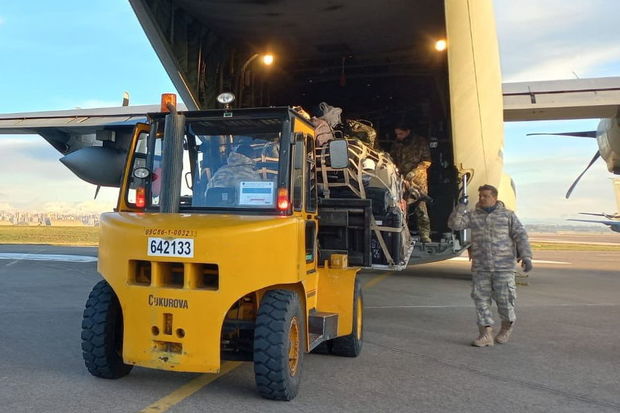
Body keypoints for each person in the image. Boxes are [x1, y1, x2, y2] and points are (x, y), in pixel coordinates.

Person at [448, 184, 533, 347]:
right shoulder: (473, 215)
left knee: (505, 302)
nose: (481, 198)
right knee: (481, 300)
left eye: (485, 196)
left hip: (504, 268)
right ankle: (485, 333)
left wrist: (526, 256)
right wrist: (461, 206)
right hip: (481, 267)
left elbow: (521, 236)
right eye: (480, 196)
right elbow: (455, 224)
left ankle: (507, 326)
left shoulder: (508, 216)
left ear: (494, 197)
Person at [388, 123, 432, 243]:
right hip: (402, 180)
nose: (398, 136)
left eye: (400, 133)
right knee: (402, 208)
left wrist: (414, 172)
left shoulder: (420, 142)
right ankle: (403, 235)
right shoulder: (397, 143)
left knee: (421, 209)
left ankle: (425, 235)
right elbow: (392, 158)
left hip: (418, 181)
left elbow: (427, 161)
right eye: (397, 134)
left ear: (408, 131)